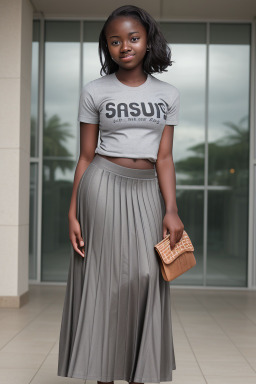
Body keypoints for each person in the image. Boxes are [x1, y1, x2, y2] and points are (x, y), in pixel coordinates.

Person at [57, 4, 184, 384]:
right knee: (105, 280)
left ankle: (138, 372)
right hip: (103, 184)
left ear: (147, 42)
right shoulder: (95, 90)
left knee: (147, 275)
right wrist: (73, 210)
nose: (124, 46)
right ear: (107, 47)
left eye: (132, 38)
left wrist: (172, 208)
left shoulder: (168, 94)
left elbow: (164, 157)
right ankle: (103, 374)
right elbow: (84, 155)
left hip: (148, 191)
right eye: (115, 41)